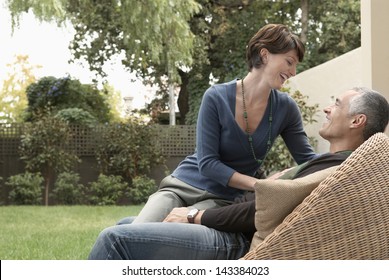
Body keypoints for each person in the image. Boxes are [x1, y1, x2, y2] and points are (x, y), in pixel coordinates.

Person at [88, 87, 389, 260]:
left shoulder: (333, 168)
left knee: (115, 238)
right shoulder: (337, 164)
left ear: (356, 120)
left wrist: (194, 216)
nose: (327, 109)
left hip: (233, 241)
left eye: (336, 105)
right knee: (127, 224)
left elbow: (256, 212)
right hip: (230, 228)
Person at [132, 23, 316, 224]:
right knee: (134, 232)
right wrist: (260, 185)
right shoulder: (216, 97)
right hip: (182, 186)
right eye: (289, 62)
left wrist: (346, 162)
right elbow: (208, 164)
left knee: (172, 236)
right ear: (264, 55)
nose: (293, 72)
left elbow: (308, 160)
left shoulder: (285, 108)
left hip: (221, 200)